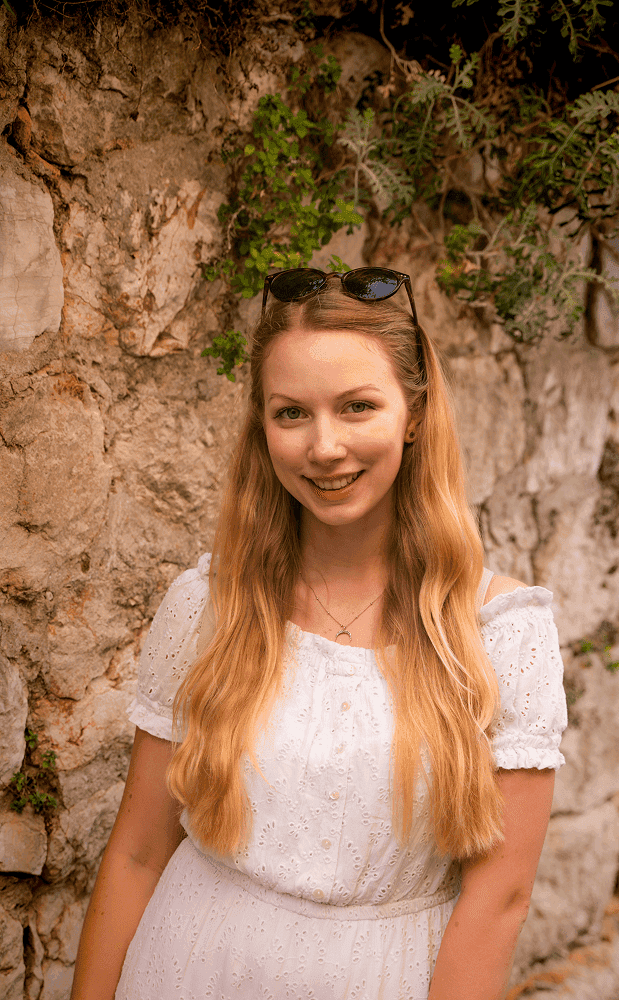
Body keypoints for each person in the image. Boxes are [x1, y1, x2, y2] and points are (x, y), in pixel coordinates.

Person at [71, 267, 567, 1000]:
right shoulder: (210, 606)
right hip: (183, 968)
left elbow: (498, 901)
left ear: (414, 413)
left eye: (357, 406)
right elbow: (139, 852)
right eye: (292, 414)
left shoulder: (500, 635)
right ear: (262, 426)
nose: (324, 446)